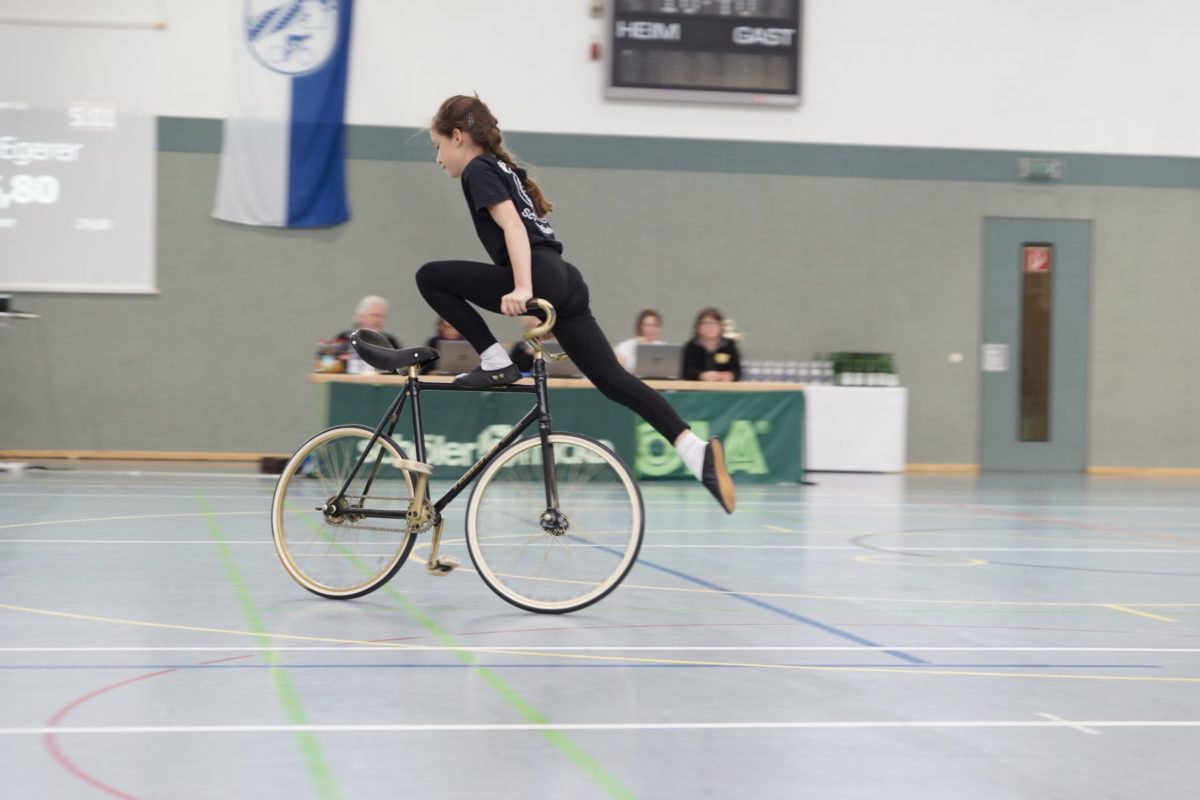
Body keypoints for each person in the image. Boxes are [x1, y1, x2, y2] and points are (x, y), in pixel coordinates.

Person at [414, 94, 735, 513]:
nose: (438, 159)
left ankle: (494, 361)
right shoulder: (503, 167)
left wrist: (523, 287)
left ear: (457, 137)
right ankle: (695, 452)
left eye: (438, 147)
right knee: (612, 380)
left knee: (430, 277)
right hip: (566, 278)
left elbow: (512, 227)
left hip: (538, 276)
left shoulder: (477, 169)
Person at [682, 308, 742, 382]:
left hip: (724, 389)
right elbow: (686, 372)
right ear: (698, 327)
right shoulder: (691, 346)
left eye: (714, 323)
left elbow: (737, 371)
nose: (710, 327)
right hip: (697, 390)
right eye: (705, 323)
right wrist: (701, 376)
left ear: (721, 327)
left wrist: (729, 376)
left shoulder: (729, 345)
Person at [613, 309, 665, 374]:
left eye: (655, 326)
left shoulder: (663, 348)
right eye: (647, 325)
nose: (651, 329)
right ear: (640, 327)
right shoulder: (625, 346)